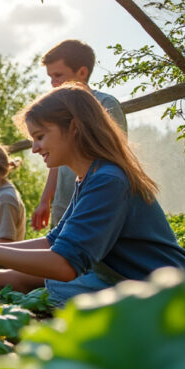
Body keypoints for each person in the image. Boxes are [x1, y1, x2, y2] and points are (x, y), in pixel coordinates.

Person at [0, 85, 185, 306]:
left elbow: (64, 265)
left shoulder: (108, 180)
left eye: (40, 137)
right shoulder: (89, 178)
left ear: (74, 127)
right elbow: (52, 242)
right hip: (134, 287)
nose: (34, 148)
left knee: (61, 290)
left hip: (168, 298)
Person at [33, 39, 127, 230]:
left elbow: (117, 156)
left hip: (95, 201)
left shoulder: (105, 105)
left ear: (82, 72)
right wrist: (46, 200)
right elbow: (55, 160)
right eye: (50, 77)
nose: (54, 83)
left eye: (58, 75)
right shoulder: (58, 112)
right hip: (64, 202)